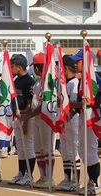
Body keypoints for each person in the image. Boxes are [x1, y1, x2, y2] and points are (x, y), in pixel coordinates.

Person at [68, 49, 100, 194]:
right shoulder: (81, 81)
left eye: (78, 61)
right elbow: (81, 103)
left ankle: (95, 182)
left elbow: (95, 102)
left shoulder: (96, 80)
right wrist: (73, 108)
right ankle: (91, 180)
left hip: (93, 116)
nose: (75, 64)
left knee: (90, 150)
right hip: (83, 116)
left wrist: (93, 102)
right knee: (82, 151)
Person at [21, 53, 55, 189]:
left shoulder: (49, 82)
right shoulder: (37, 83)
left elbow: (44, 104)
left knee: (47, 149)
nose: (33, 69)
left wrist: (29, 116)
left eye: (34, 66)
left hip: (46, 118)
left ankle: (49, 178)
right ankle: (42, 176)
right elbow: (34, 103)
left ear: (37, 67)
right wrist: (25, 113)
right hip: (36, 118)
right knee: (38, 149)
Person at [7, 54, 36, 186]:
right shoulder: (15, 80)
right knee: (20, 147)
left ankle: (29, 175)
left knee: (28, 146)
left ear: (19, 67)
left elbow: (30, 102)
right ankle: (21, 172)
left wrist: (26, 118)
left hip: (25, 117)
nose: (10, 68)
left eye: (12, 66)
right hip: (16, 116)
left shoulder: (28, 81)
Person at [55, 54, 80, 191]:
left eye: (59, 67)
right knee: (65, 150)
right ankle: (67, 179)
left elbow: (74, 105)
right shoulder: (63, 84)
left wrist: (67, 117)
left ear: (64, 68)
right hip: (64, 121)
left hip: (72, 120)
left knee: (72, 150)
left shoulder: (74, 83)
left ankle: (76, 181)